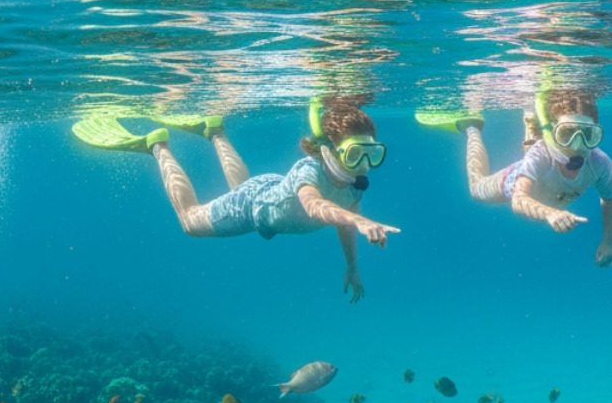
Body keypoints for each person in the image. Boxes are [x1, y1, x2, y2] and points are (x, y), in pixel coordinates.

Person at [71, 101, 398, 301]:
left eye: (372, 154)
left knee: (242, 187)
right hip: (255, 207)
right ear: (327, 150)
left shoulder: (355, 184)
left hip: (268, 193)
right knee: (189, 221)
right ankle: (157, 146)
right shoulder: (309, 170)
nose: (365, 165)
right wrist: (359, 220)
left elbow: (342, 222)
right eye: (355, 154)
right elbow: (315, 206)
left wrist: (352, 266)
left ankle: (214, 131)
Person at [417, 89, 612, 267]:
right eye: (566, 134)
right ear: (552, 132)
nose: (578, 145)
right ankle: (472, 126)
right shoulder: (540, 155)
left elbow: (610, 198)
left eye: (588, 135)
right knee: (476, 188)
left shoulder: (600, 163)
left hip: (543, 173)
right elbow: (518, 199)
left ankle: (532, 123)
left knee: (535, 152)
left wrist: (607, 242)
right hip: (516, 178)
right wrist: (550, 213)